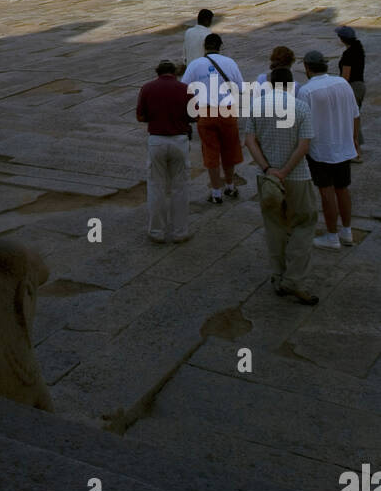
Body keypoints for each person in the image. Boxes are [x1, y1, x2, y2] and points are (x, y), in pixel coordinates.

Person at [243, 67, 318, 305]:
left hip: (267, 179)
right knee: (303, 224)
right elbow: (304, 146)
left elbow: (250, 141)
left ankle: (278, 276)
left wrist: (268, 169)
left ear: (270, 83)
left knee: (274, 225)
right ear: (290, 84)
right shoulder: (301, 106)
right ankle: (294, 279)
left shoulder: (257, 106)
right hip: (296, 177)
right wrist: (285, 171)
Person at [300, 49, 359, 251]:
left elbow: (302, 124)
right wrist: (354, 140)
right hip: (343, 145)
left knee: (326, 193)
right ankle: (347, 232)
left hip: (321, 149)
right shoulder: (342, 83)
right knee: (343, 189)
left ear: (307, 68)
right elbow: (355, 114)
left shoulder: (306, 91)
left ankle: (332, 236)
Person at [183, 33, 245, 203]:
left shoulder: (195, 64)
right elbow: (240, 87)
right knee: (229, 149)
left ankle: (216, 192)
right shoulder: (230, 63)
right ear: (221, 46)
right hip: (227, 111)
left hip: (205, 111)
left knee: (210, 151)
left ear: (205, 46)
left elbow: (184, 87)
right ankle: (230, 186)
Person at [136, 60, 193, 243]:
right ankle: (180, 232)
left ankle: (156, 231)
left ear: (157, 72)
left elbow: (140, 116)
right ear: (174, 73)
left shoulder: (147, 88)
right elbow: (195, 116)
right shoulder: (185, 88)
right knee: (180, 188)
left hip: (156, 141)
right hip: (179, 140)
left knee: (156, 187)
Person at [335, 25, 366, 161]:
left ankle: (356, 152)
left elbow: (345, 77)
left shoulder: (348, 54)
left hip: (352, 88)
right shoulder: (358, 49)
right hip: (360, 86)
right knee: (355, 117)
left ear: (342, 39)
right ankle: (356, 148)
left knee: (349, 119)